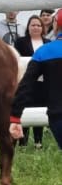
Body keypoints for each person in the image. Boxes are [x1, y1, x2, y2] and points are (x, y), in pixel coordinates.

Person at [10, 9, 62, 149]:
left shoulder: (44, 51)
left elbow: (26, 85)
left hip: (58, 116)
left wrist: (15, 117)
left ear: (55, 26)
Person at [14, 15, 51, 148]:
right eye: (33, 25)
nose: (36, 27)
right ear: (28, 27)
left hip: (43, 84)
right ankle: (22, 142)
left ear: (42, 28)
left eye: (38, 25)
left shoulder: (47, 43)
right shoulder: (20, 42)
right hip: (26, 83)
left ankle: (38, 142)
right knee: (24, 110)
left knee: (39, 110)